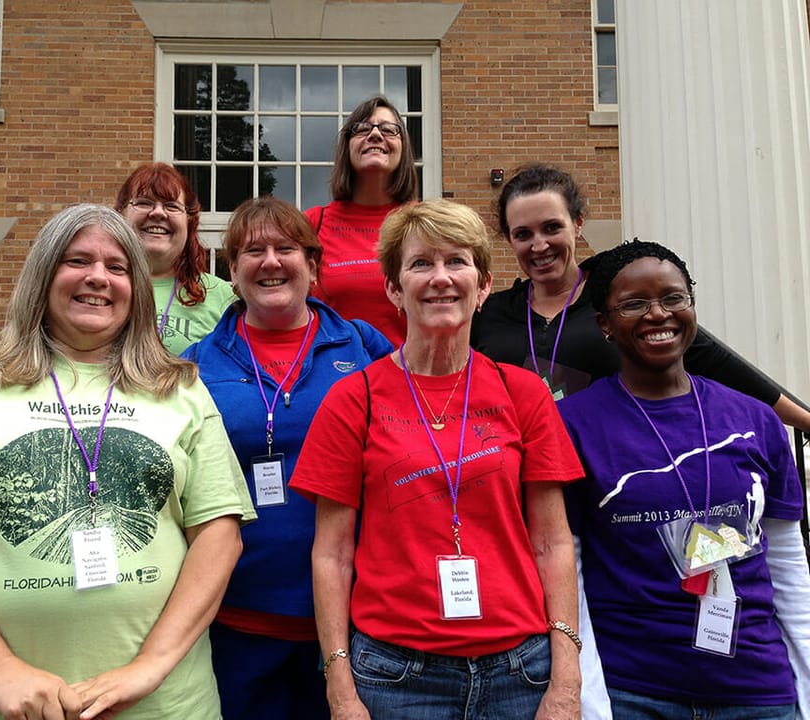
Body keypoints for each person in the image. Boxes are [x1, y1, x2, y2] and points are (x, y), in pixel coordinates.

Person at [0, 204, 256, 720]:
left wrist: (150, 665)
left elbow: (219, 536)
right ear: (43, 275)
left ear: (136, 287)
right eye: (77, 260)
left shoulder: (179, 387)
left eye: (117, 267)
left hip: (164, 704)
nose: (98, 278)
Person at [291, 199, 584, 719]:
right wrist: (340, 689)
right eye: (421, 263)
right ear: (393, 289)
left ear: (484, 285)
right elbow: (332, 555)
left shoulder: (523, 393)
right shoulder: (355, 398)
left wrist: (566, 679)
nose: (441, 278)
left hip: (520, 673)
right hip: (396, 677)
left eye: (457, 262)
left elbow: (553, 542)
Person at [558, 240, 810, 719]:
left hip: (758, 689)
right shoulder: (573, 425)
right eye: (634, 304)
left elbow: (788, 566)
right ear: (605, 324)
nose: (658, 314)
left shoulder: (756, 419)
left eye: (673, 298)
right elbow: (570, 571)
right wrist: (590, 700)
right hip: (634, 691)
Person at [182, 196, 391, 719]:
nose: (271, 262)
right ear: (233, 272)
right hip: (236, 620)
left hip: (352, 619)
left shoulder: (362, 347)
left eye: (286, 249)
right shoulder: (195, 365)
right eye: (253, 251)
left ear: (313, 266)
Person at [470, 164, 810, 433]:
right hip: (524, 481)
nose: (539, 245)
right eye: (523, 234)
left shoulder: (618, 298)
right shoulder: (490, 314)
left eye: (552, 227)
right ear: (509, 239)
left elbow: (713, 361)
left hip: (616, 475)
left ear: (578, 224)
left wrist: (804, 420)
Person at [304, 95, 418, 346]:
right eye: (362, 129)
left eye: (389, 129)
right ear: (347, 148)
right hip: (334, 369)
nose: (375, 135)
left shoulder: (425, 224)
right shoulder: (312, 225)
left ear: (404, 147)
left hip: (409, 369)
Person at [116, 161, 235, 354]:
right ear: (120, 214)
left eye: (172, 206)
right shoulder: (100, 286)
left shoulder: (223, 298)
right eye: (144, 203)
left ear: (189, 222)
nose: (158, 212)